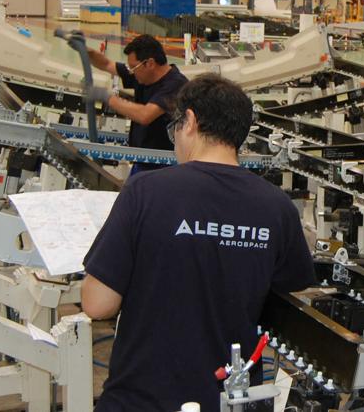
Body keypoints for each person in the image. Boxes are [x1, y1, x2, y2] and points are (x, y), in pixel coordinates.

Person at [81, 74, 316, 412]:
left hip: (143, 398)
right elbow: (288, 293)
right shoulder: (277, 206)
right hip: (232, 399)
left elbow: (98, 304)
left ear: (189, 121)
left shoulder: (145, 192)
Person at [85, 34, 188, 174]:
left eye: (134, 67)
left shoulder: (175, 84)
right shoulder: (143, 76)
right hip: (142, 160)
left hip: (164, 166)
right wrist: (86, 51)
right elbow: (106, 64)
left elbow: (145, 115)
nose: (131, 72)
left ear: (150, 63)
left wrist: (107, 98)